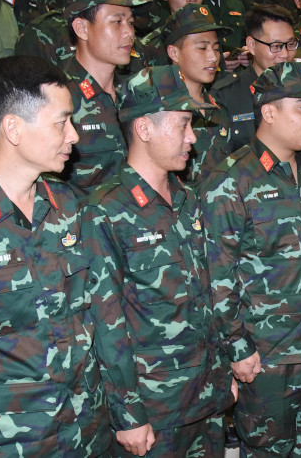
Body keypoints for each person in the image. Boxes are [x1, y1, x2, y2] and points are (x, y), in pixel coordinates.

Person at [0, 55, 150, 456]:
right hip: (7, 442)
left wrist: (128, 412)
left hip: (89, 431)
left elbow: (106, 318)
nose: (74, 136)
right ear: (13, 128)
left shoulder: (72, 208)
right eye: (61, 122)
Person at [203, 62, 301, 457]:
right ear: (269, 112)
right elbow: (217, 274)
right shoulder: (231, 179)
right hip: (267, 357)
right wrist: (237, 347)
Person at [82, 65, 234, 456]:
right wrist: (128, 414)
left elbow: (208, 294)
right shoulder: (105, 211)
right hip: (155, 410)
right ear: (144, 129)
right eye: (182, 124)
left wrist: (223, 371)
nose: (192, 136)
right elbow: (106, 324)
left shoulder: (187, 199)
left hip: (207, 396)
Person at [60, 0, 148, 190]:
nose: (129, 33)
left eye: (130, 22)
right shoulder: (59, 96)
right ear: (82, 28)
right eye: (117, 22)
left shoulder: (135, 91)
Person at [211, 4, 297, 153]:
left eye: (290, 44)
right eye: (276, 46)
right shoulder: (226, 94)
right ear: (251, 45)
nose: (284, 54)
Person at [162, 3, 230, 183]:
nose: (213, 57)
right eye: (202, 48)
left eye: (216, 48)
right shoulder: (162, 110)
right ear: (174, 53)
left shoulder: (218, 107)